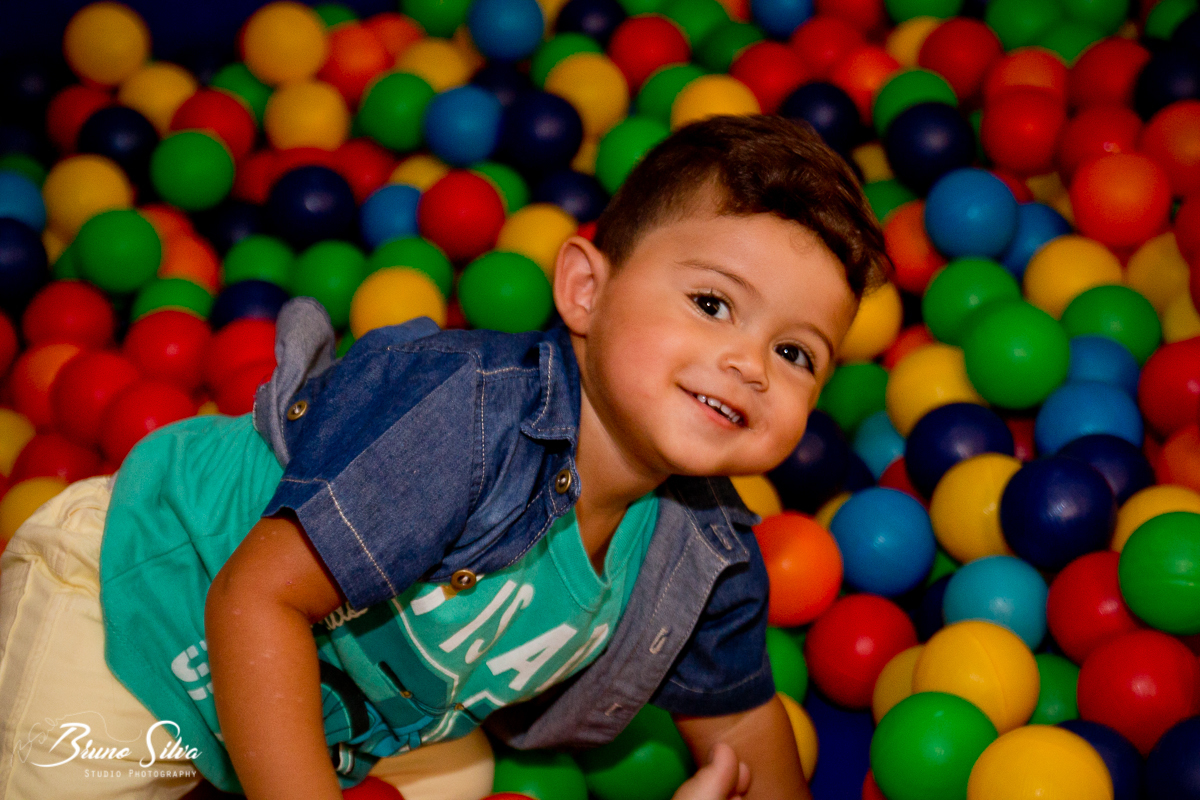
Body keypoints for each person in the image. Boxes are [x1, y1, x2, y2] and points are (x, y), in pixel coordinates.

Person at [0, 114, 887, 800]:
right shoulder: (465, 416)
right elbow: (253, 598)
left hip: (327, 698)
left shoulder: (708, 553)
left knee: (461, 778)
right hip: (142, 605)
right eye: (712, 304)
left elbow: (744, 728)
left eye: (796, 353)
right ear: (586, 290)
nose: (750, 364)